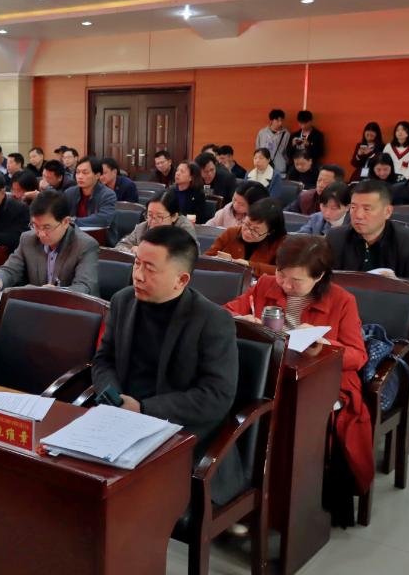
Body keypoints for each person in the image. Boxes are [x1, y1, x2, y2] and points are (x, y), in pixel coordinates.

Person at [223, 234, 373, 512]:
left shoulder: (342, 300)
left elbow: (358, 355)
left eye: (296, 280)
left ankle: (278, 503)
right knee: (234, 405)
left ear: (319, 276)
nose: (285, 285)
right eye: (281, 274)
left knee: (279, 415)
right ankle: (238, 495)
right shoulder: (266, 284)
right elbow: (226, 312)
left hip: (318, 379)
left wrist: (326, 344)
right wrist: (241, 320)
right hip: (270, 372)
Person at [92, 224, 241, 502]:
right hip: (120, 421)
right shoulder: (123, 301)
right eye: (137, 263)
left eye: (150, 269)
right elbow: (104, 360)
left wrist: (144, 409)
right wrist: (113, 398)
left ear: (181, 280)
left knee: (126, 500)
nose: (137, 275)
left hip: (181, 433)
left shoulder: (211, 320)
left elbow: (217, 396)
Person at [0, 190, 99, 295]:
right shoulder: (28, 239)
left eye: (47, 227)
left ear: (65, 222)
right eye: (36, 226)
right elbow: (10, 270)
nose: (41, 234)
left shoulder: (85, 245)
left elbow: (84, 287)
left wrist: (59, 292)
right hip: (37, 306)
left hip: (73, 308)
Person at [326, 179, 409, 283]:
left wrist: (396, 282)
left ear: (387, 212)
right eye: (353, 207)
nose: (358, 215)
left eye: (366, 209)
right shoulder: (336, 237)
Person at [206, 198, 287, 277]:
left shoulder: (281, 243)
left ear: (270, 232)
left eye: (255, 230)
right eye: (247, 224)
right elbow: (206, 259)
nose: (248, 232)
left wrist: (249, 265)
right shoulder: (231, 233)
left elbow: (283, 272)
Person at [115, 191, 198, 253]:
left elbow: (189, 256)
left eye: (159, 217)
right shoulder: (142, 227)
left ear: (174, 216)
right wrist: (131, 250)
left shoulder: (184, 229)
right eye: (150, 215)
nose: (153, 222)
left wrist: (145, 252)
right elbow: (120, 247)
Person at [63, 157, 117, 228]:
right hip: (73, 233)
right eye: (78, 172)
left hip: (99, 233)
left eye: (85, 173)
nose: (80, 176)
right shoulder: (69, 192)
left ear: (97, 175)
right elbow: (59, 214)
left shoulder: (107, 194)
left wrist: (73, 221)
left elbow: (103, 219)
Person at [256, 108, 291, 175]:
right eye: (277, 121)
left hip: (279, 167)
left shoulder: (286, 134)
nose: (280, 123)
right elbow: (258, 149)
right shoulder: (262, 133)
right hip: (264, 166)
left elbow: (287, 152)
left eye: (281, 120)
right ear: (271, 120)